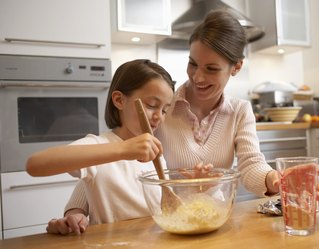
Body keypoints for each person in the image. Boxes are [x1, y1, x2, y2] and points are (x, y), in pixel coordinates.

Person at [47, 9, 280, 235]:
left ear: (236, 67)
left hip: (209, 221)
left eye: (211, 69)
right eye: (192, 63)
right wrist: (77, 208)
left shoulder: (240, 111)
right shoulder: (159, 105)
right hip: (161, 225)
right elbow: (111, 163)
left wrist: (273, 179)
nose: (198, 77)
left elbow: (250, 164)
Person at [25, 59, 175, 234]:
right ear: (119, 100)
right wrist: (124, 149)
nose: (159, 117)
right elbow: (35, 165)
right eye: (151, 105)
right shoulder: (100, 145)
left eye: (164, 110)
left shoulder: (156, 152)